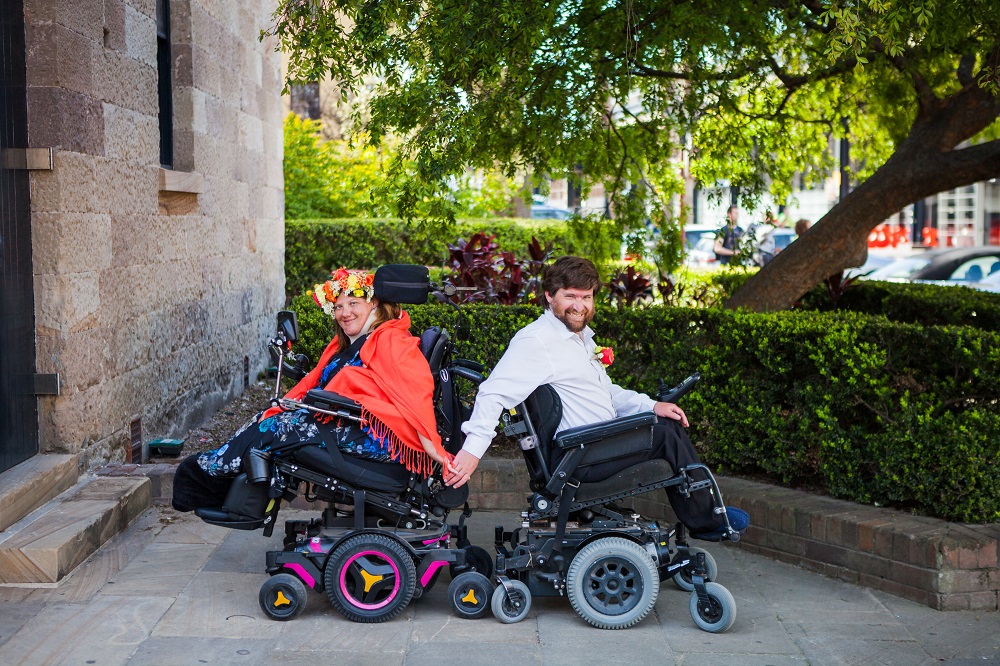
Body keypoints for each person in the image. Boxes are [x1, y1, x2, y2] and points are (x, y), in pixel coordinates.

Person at [444, 256, 748, 537]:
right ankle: (708, 521)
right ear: (550, 296)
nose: (580, 305)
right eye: (571, 296)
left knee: (665, 422)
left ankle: (707, 515)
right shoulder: (537, 341)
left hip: (596, 442)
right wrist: (471, 453)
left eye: (586, 297)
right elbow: (493, 392)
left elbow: (607, 393)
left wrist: (652, 404)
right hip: (578, 454)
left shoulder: (577, 338)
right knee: (666, 435)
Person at [172, 267, 452, 512]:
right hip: (354, 423)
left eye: (353, 303)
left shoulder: (389, 338)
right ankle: (222, 486)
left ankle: (203, 476)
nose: (344, 313)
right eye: (339, 307)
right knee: (267, 419)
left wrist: (433, 449)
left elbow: (414, 390)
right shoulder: (359, 341)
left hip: (375, 439)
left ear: (375, 306)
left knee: (277, 428)